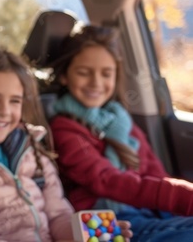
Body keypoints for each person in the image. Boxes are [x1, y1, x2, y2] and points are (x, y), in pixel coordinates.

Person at [0, 46, 132, 242]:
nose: (5, 111)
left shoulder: (30, 150)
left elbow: (57, 215)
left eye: (15, 101)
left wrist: (86, 232)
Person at [48, 25, 193, 241]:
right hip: (108, 220)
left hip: (146, 210)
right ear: (64, 77)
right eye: (83, 72)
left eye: (106, 73)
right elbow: (106, 180)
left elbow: (154, 171)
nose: (96, 82)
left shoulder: (120, 120)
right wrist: (179, 196)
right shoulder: (64, 129)